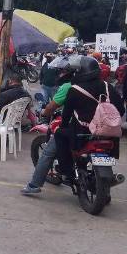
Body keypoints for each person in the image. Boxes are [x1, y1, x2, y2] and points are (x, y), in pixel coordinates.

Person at [54, 57, 124, 186]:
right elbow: (121, 110)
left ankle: (67, 172)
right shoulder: (107, 86)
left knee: (59, 133)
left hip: (82, 134)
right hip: (109, 133)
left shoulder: (74, 89)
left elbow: (66, 114)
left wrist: (63, 126)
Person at [21, 63, 76, 195]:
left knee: (48, 153)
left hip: (75, 126)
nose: (61, 74)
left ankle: (34, 185)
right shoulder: (104, 85)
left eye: (63, 72)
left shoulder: (69, 86)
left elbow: (52, 107)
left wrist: (44, 113)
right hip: (99, 128)